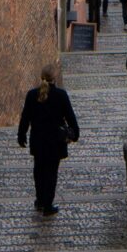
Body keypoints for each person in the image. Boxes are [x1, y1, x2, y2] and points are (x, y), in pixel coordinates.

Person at [17, 65, 80, 215]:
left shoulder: (32, 94)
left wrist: (21, 135)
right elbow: (70, 116)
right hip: (55, 141)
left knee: (39, 171)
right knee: (51, 172)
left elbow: (25, 117)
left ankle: (39, 200)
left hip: (38, 139)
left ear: (41, 77)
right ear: (54, 77)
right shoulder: (61, 95)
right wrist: (75, 133)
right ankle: (47, 204)